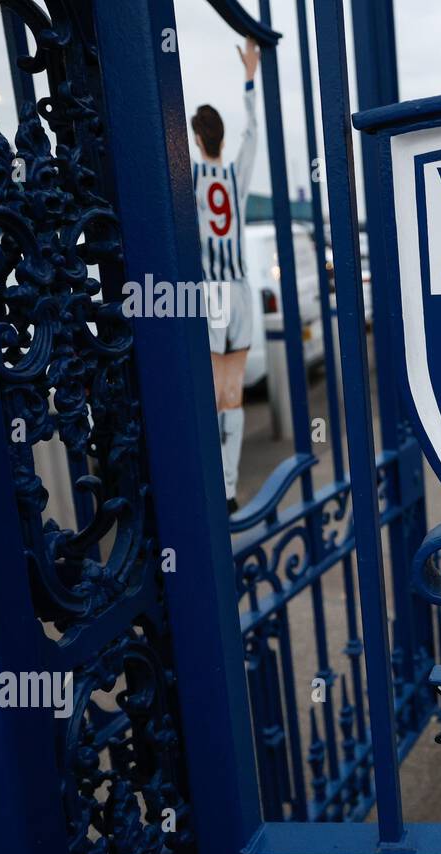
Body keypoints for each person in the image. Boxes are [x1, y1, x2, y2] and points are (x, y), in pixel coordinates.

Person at [192, 38, 260, 513]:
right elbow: (253, 131)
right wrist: (250, 79)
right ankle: (231, 488)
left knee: (211, 395)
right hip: (240, 291)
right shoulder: (236, 176)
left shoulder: (191, 177)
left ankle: (213, 485)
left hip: (212, 292)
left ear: (198, 138)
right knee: (233, 395)